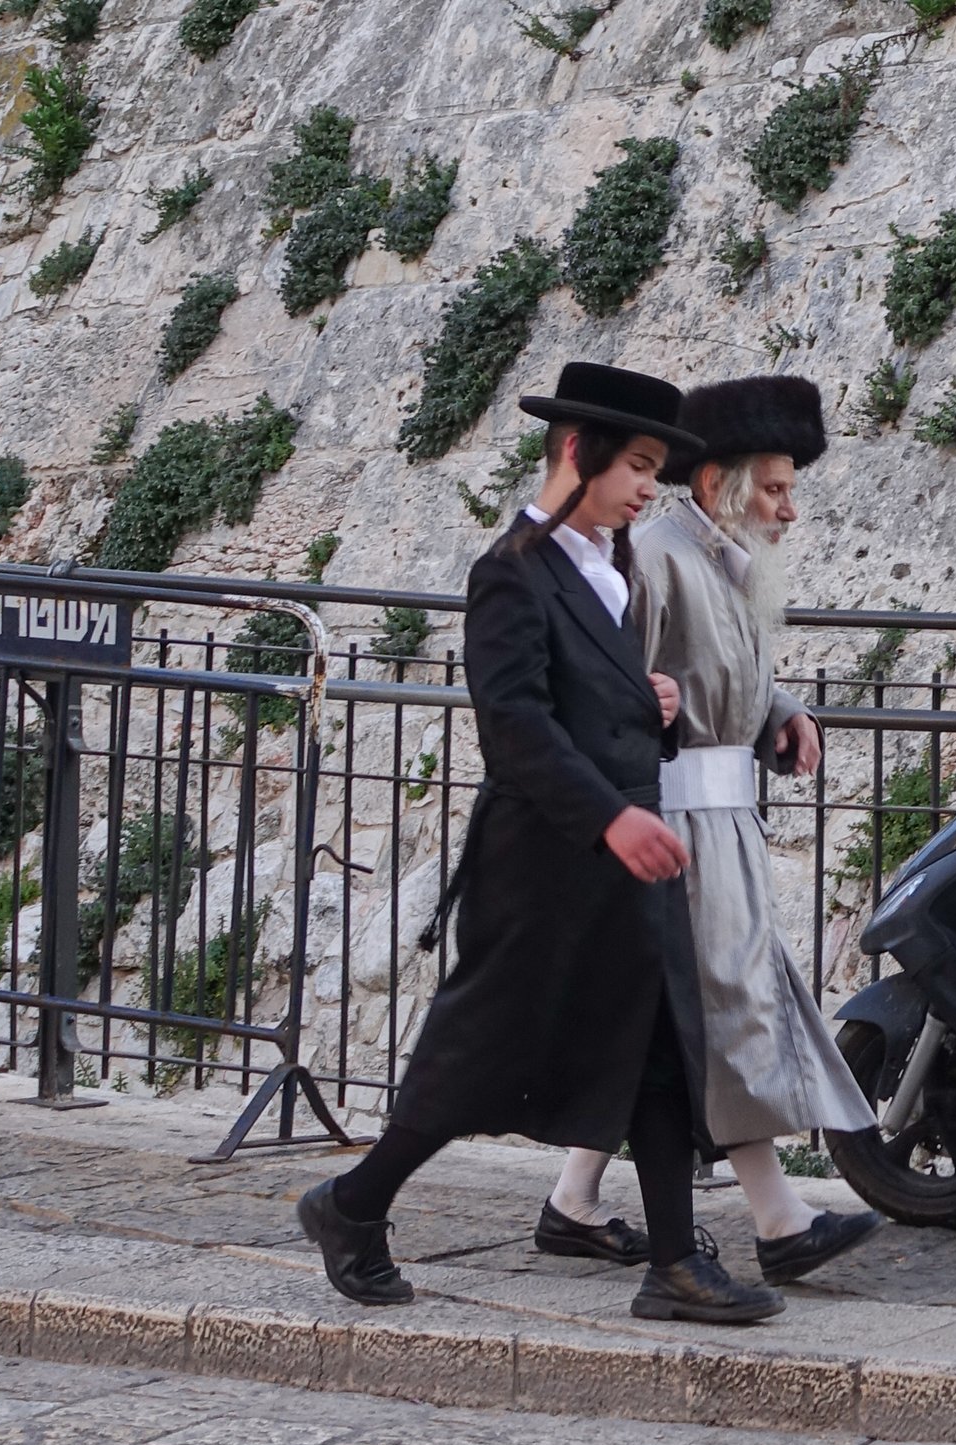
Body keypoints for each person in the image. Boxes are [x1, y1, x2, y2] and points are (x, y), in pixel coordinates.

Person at [298, 362, 783, 1325]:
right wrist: (611, 814)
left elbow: (593, 699)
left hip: (625, 851)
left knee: (657, 1047)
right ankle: (351, 1204)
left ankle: (677, 1264)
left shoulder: (617, 566)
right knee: (475, 1056)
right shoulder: (510, 571)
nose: (650, 489)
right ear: (576, 451)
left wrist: (661, 708)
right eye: (639, 466)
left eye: (656, 470)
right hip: (545, 863)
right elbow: (515, 725)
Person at [535, 375, 883, 1287]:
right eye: (774, 488)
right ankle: (778, 1218)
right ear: (720, 482)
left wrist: (781, 711)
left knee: (670, 1018)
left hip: (722, 819)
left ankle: (573, 1201)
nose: (789, 509)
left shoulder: (722, 561)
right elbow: (604, 688)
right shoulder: (655, 555)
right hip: (671, 822)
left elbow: (725, 676)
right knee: (728, 1004)